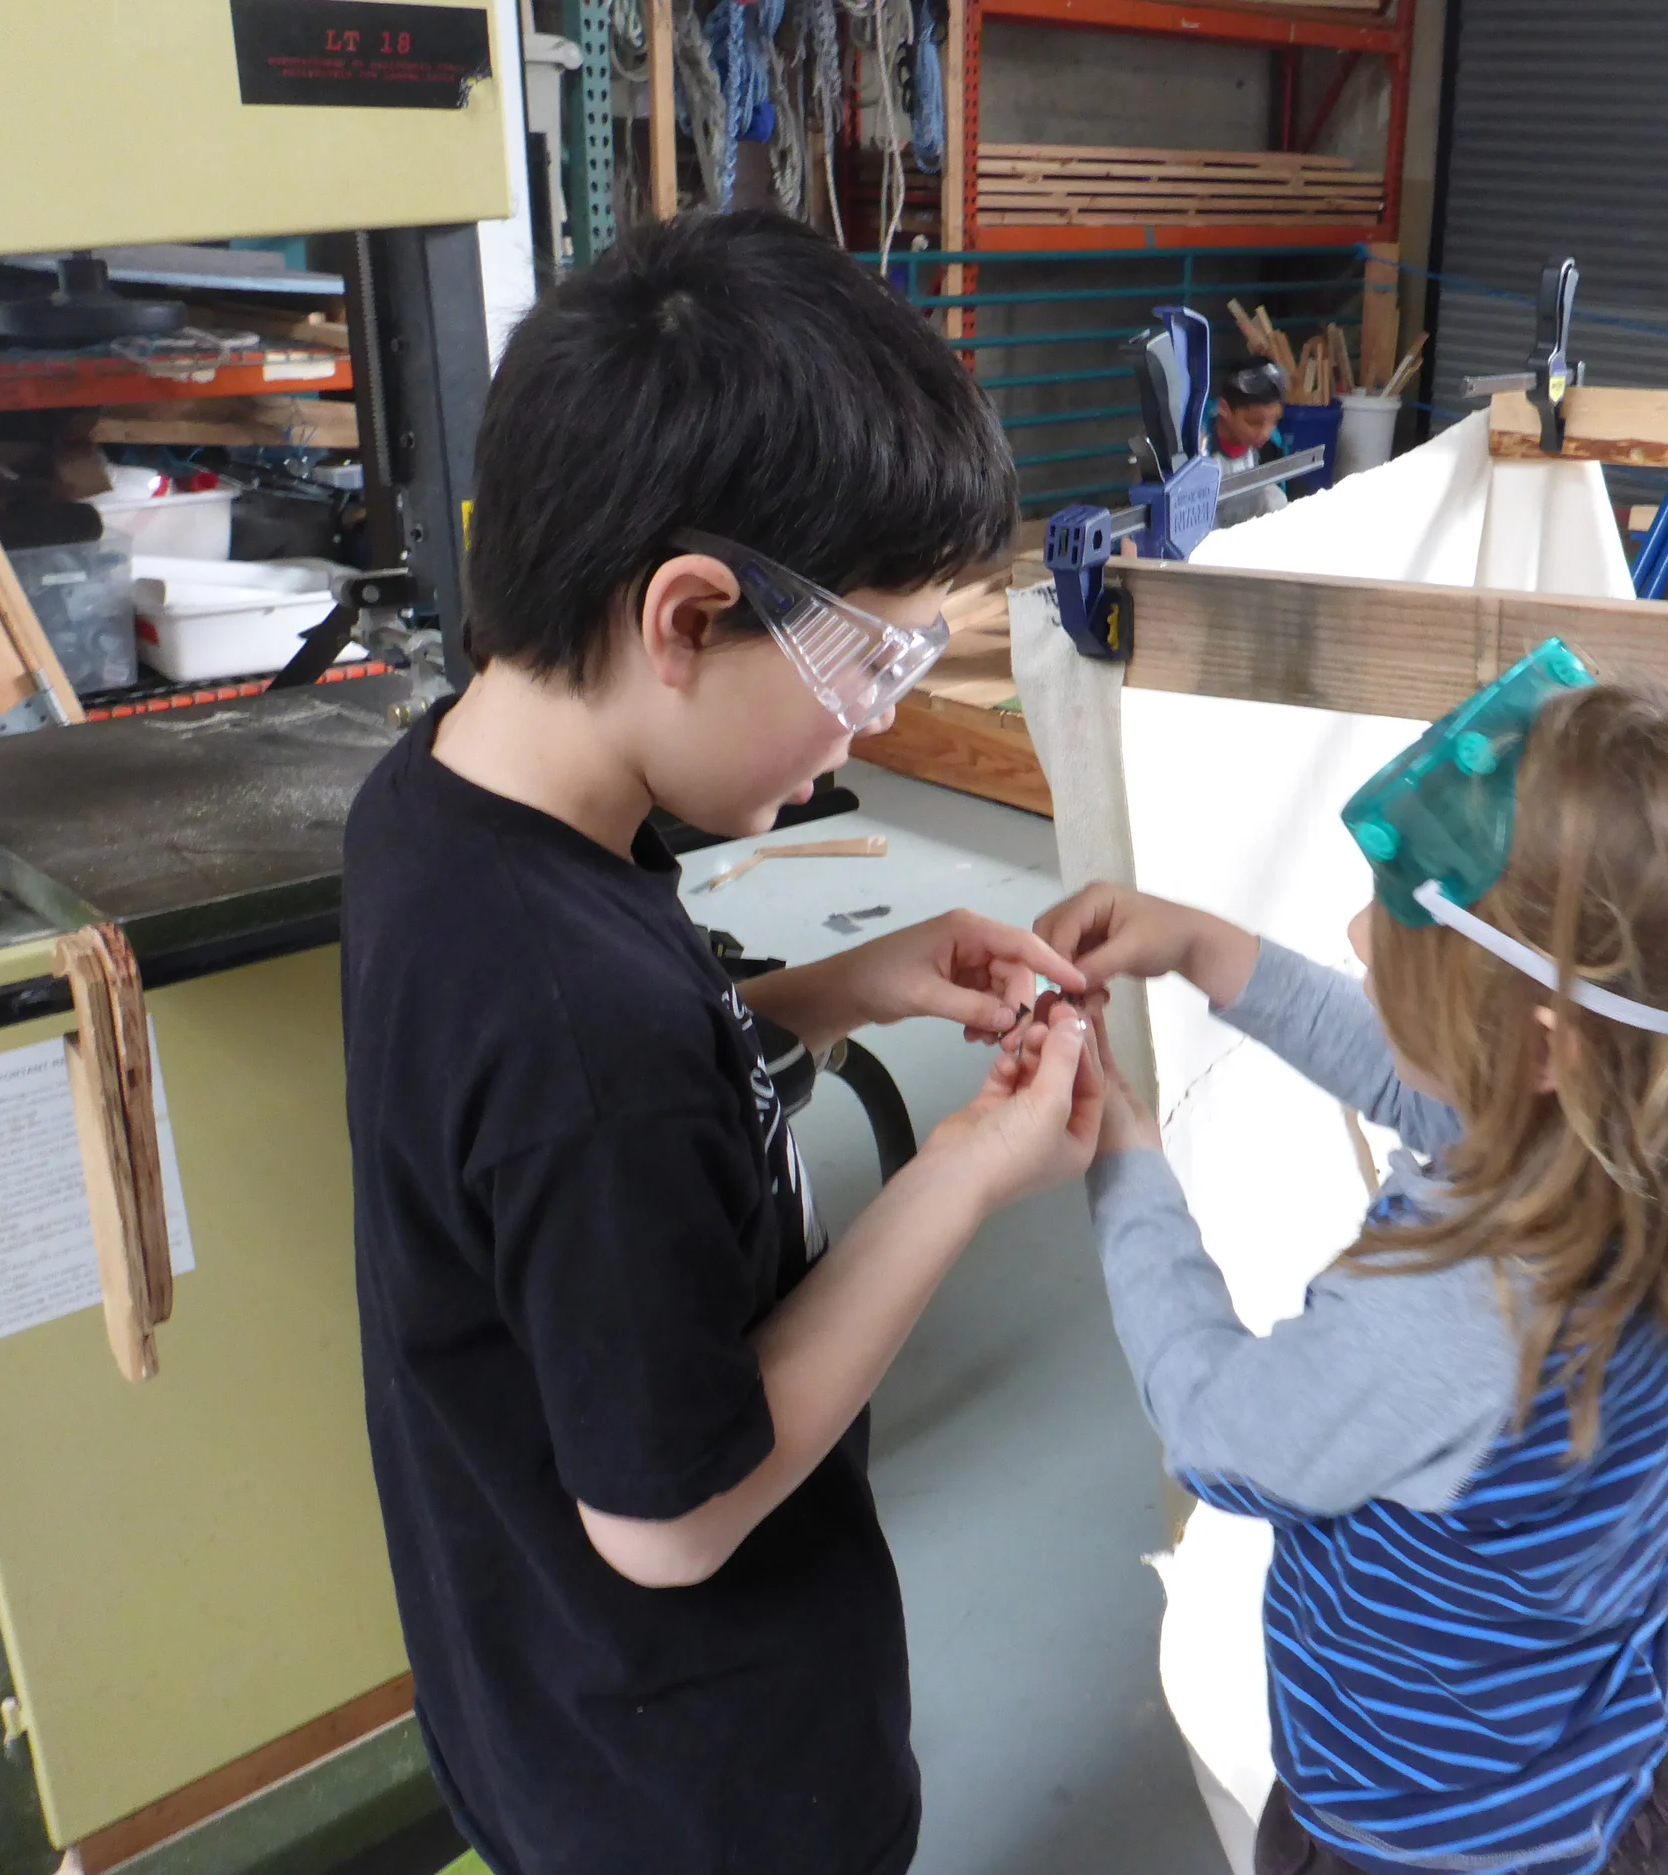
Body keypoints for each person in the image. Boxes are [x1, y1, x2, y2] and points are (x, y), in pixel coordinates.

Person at [341, 211, 1104, 1875]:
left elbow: (553, 1152)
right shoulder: (581, 1038)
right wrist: (968, 1168)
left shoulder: (442, 804)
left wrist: (829, 991)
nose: (882, 718)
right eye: (873, 656)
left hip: (533, 1686)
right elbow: (672, 1522)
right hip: (700, 1785)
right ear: (687, 615)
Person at [1040, 649, 1668, 1875]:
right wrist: (1206, 949)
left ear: (1542, 1050)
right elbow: (1423, 1078)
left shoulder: (1455, 1312)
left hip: (1435, 1834)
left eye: (1396, 932)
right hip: (1606, 1739)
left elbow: (1222, 1433)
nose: (1354, 936)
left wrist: (1125, 1160)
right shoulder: (1660, 1141)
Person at [1212, 358, 1290, 526]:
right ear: (1224, 408)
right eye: (1253, 422)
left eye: (1274, 421)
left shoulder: (1272, 445)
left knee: (1274, 500)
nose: (1265, 433)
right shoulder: (1200, 448)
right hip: (1210, 529)